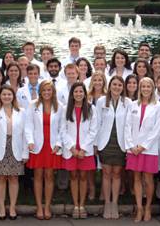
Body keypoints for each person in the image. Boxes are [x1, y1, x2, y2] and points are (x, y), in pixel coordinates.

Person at [125, 77, 160, 222]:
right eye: (143, 86)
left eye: (148, 86)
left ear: (152, 88)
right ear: (139, 88)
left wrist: (143, 146)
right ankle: (139, 208)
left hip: (149, 149)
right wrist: (131, 145)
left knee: (148, 179)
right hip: (133, 148)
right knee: (136, 178)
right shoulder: (133, 105)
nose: (146, 89)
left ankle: (148, 207)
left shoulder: (158, 106)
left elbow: (157, 130)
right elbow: (127, 126)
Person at [24, 80, 63, 220]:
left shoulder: (60, 107)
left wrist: (59, 143)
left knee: (49, 176)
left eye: (49, 90)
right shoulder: (33, 105)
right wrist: (30, 141)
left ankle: (47, 206)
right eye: (44, 90)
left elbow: (62, 128)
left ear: (53, 92)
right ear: (40, 91)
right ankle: (39, 207)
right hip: (37, 146)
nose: (47, 93)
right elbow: (28, 125)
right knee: (38, 176)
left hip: (52, 146)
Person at [0, 86, 28, 220]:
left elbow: (25, 133)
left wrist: (25, 153)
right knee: (0, 178)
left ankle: (12, 207)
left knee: (13, 178)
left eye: (9, 94)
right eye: (4, 94)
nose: (6, 97)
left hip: (15, 147)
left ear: (13, 96)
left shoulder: (21, 112)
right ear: (0, 96)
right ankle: (1, 207)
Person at [95, 76, 130, 220]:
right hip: (106, 143)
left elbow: (129, 125)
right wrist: (96, 144)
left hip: (120, 144)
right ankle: (107, 203)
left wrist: (128, 146)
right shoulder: (101, 101)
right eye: (114, 84)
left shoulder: (127, 102)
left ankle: (114, 203)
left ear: (123, 87)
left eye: (119, 85)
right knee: (106, 173)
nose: (117, 87)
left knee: (116, 174)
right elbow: (97, 123)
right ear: (110, 86)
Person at [61, 82, 98, 219]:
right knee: (73, 176)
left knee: (83, 177)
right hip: (71, 150)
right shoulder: (66, 109)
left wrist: (82, 148)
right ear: (72, 94)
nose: (78, 94)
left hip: (85, 150)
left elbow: (93, 131)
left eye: (81, 92)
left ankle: (82, 205)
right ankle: (75, 205)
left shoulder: (91, 108)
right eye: (75, 92)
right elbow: (63, 130)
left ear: (84, 93)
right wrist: (72, 148)